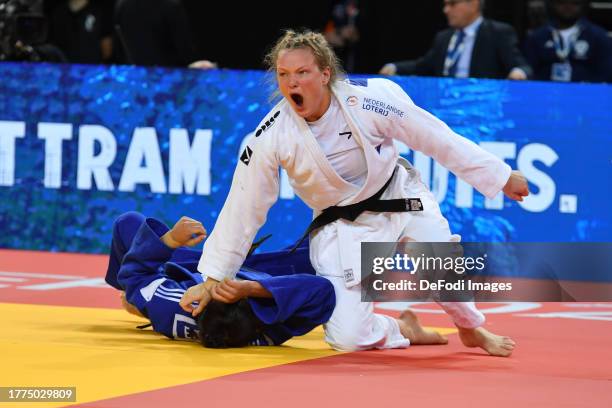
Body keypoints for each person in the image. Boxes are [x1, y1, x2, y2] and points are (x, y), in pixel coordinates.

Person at [181, 29, 528, 356]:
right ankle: (403, 329)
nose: (292, 82)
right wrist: (212, 278)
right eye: (284, 74)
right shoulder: (271, 135)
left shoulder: (369, 101)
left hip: (399, 198)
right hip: (341, 225)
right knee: (348, 337)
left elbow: (434, 136)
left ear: (325, 74)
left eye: (302, 72)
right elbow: (244, 207)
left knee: (440, 267)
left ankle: (470, 328)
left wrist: (499, 175)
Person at [106, 211, 336, 347]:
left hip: (190, 269)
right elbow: (322, 290)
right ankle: (374, 288)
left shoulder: (176, 306)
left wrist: (170, 240)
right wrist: (251, 288)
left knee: (127, 223)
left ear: (198, 305)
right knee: (331, 237)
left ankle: (132, 300)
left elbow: (134, 274)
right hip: (265, 277)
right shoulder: (269, 326)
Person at [379, 0, 532, 80]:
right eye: (445, 4)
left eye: (452, 3)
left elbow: (521, 66)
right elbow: (423, 65)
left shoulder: (497, 33)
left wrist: (518, 72)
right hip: (444, 107)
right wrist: (395, 67)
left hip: (480, 109)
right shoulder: (443, 38)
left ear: (474, 3)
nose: (446, 10)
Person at [524, 0, 612, 83]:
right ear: (552, 4)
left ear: (583, 5)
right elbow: (527, 68)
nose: (568, 7)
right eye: (561, 2)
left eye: (574, 3)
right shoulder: (538, 36)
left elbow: (605, 73)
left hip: (585, 94)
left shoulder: (598, 36)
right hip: (544, 94)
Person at [113, 0, 216, 69]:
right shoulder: (171, 5)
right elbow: (186, 51)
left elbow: (119, 49)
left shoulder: (121, 5)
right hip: (171, 81)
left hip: (138, 80)